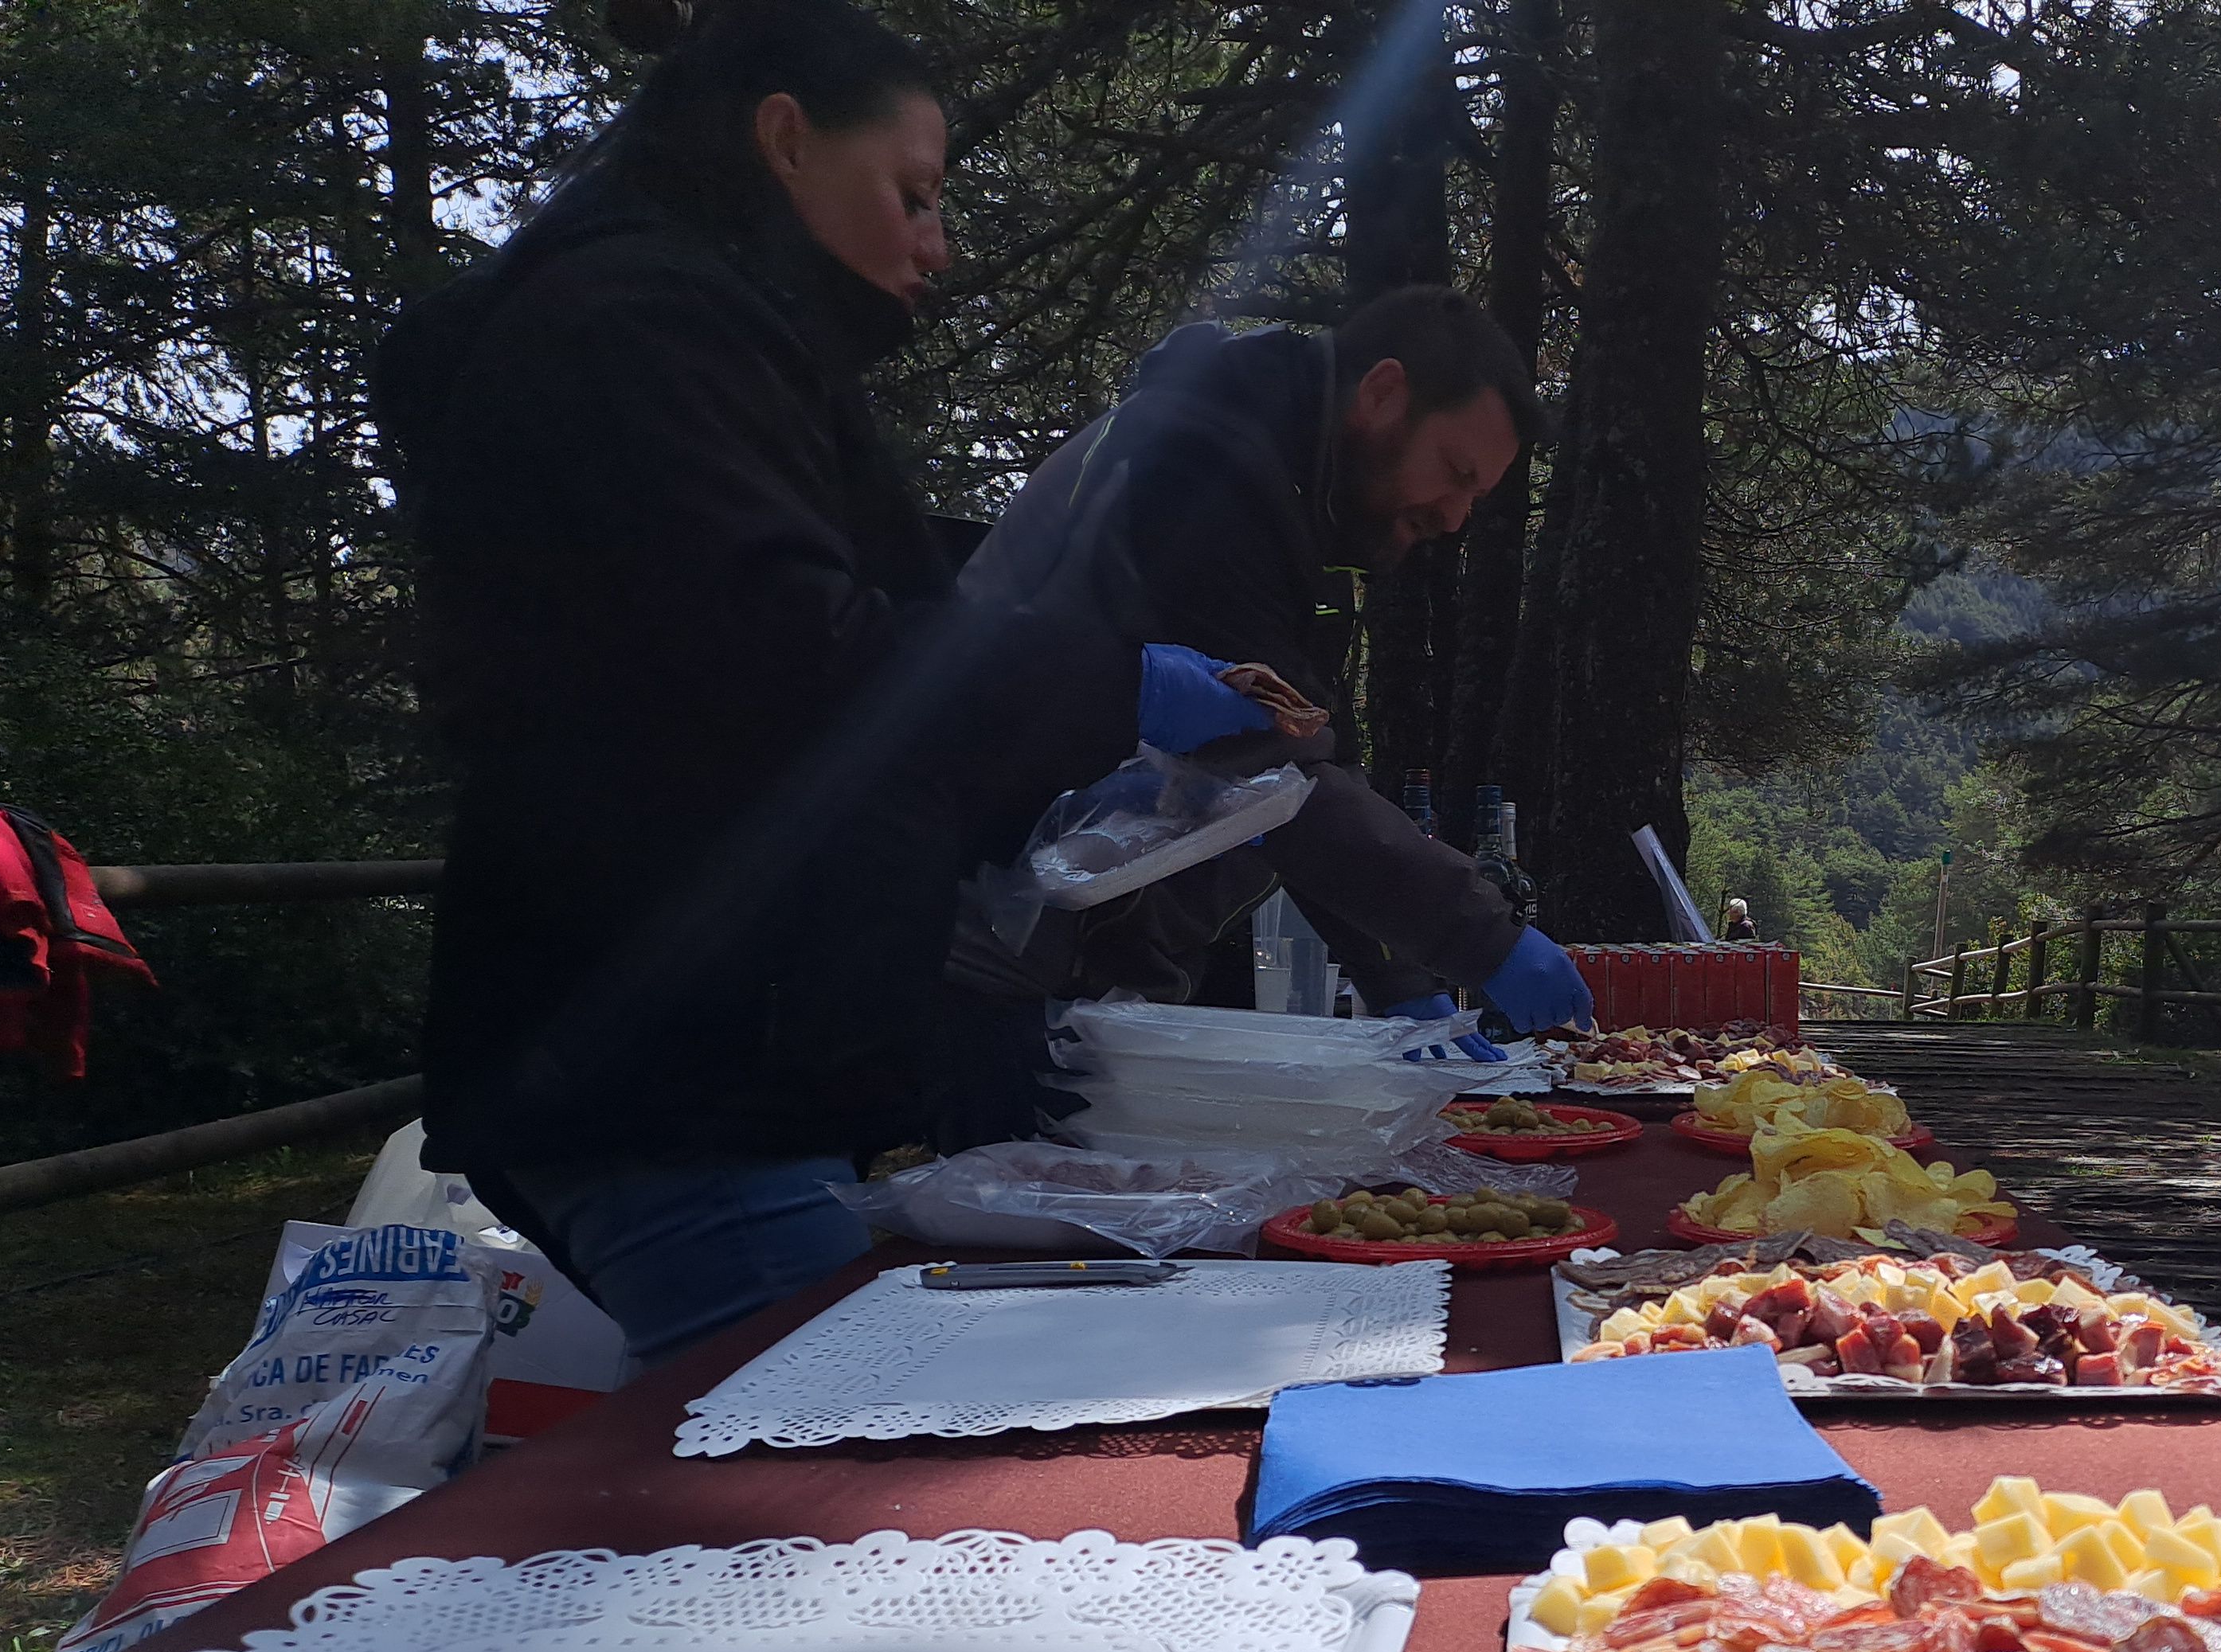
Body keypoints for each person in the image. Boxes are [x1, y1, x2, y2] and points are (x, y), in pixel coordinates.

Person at [374, 0, 1275, 1365]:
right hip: (668, 1075)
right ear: (784, 141)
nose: (936, 243)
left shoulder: (708, 340)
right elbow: (793, 657)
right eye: (911, 194)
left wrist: (1095, 788)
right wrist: (1107, 685)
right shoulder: (633, 330)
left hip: (719, 1066)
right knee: (825, 1489)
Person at [954, 285, 1596, 1054]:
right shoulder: (1200, 468)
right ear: (1382, 392)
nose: (1456, 518)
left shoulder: (1301, 513)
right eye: (1455, 472)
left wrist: (1400, 983)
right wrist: (1485, 939)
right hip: (985, 946)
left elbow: (1321, 760)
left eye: (1477, 497)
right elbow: (1267, 774)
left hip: (1078, 958)